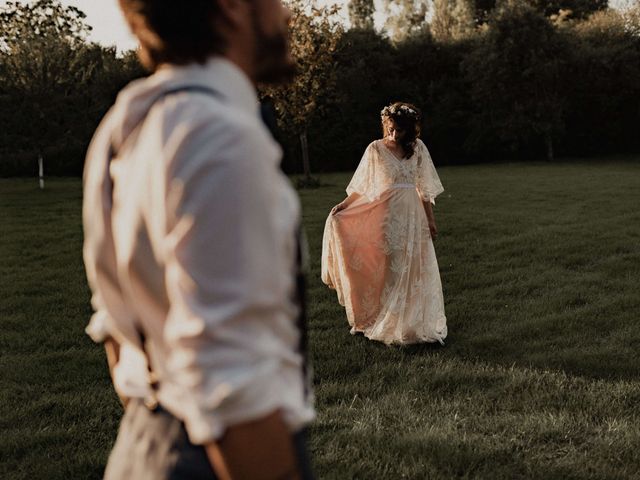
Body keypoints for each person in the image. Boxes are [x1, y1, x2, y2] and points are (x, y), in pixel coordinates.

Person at [82, 0, 314, 478]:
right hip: (219, 458)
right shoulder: (218, 135)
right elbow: (234, 394)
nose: (287, 13)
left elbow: (115, 327)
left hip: (143, 443)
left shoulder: (123, 125)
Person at [321, 102, 447, 345]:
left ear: (409, 130)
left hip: (413, 216)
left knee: (414, 266)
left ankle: (412, 321)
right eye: (389, 128)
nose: (393, 134)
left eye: (398, 130)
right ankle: (384, 318)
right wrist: (345, 205)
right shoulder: (375, 149)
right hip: (386, 214)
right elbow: (363, 186)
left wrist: (430, 220)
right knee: (390, 267)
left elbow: (424, 189)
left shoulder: (418, 149)